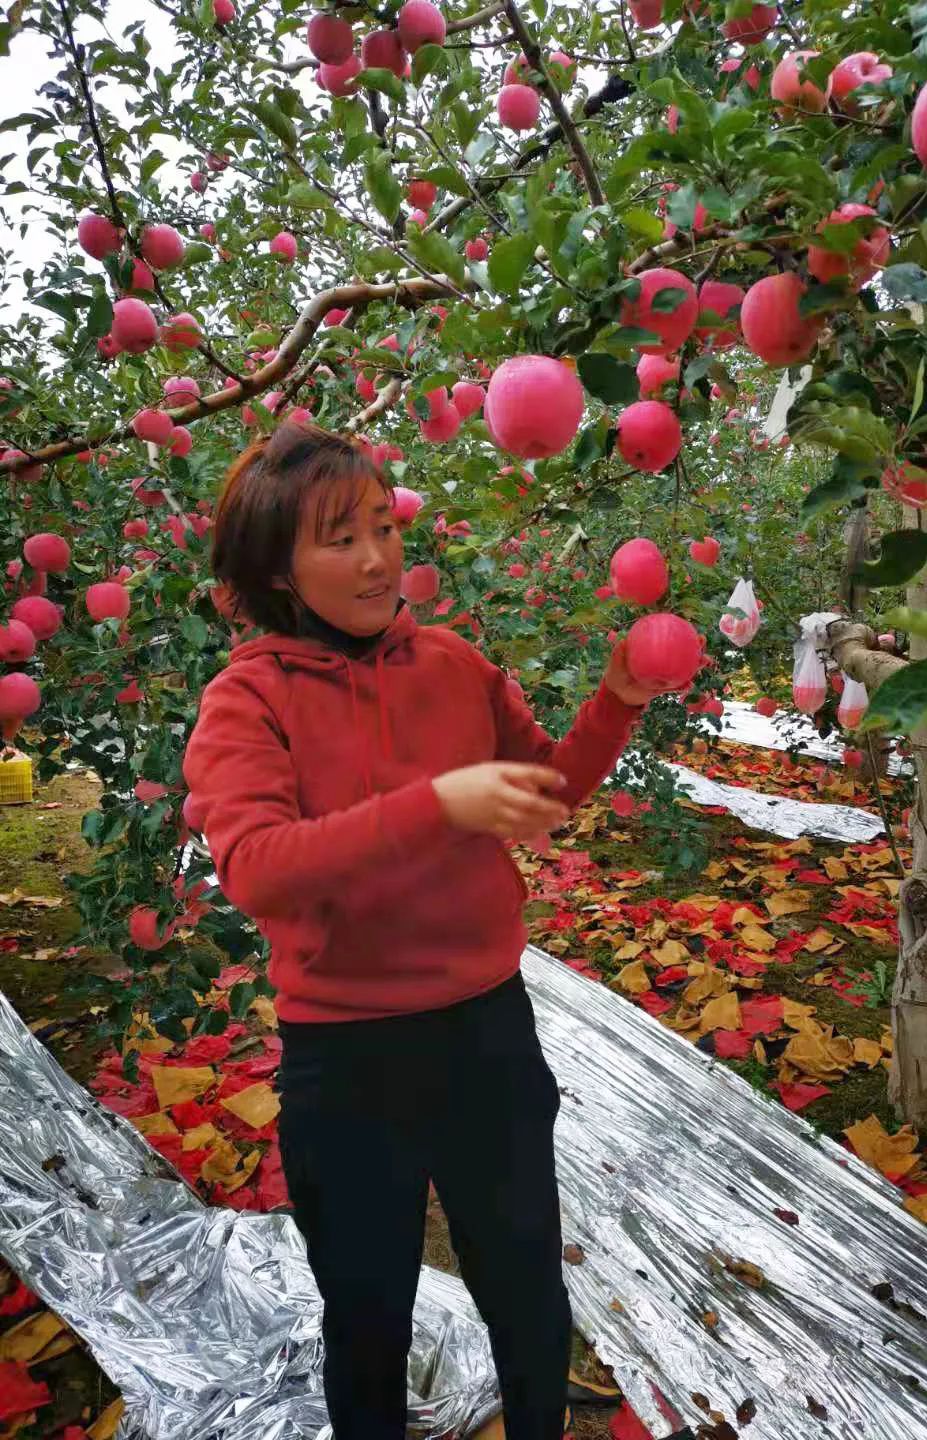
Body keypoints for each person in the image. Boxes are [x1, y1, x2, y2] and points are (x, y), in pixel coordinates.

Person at [183, 423, 676, 1440]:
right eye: (338, 539)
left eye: (380, 526)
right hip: (348, 1059)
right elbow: (259, 869)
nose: (375, 558)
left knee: (527, 1290)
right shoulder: (247, 700)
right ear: (279, 568)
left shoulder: (451, 664)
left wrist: (617, 701)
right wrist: (438, 805)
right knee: (367, 1322)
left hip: (486, 1037)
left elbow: (549, 789)